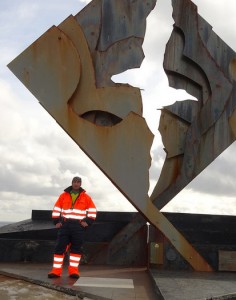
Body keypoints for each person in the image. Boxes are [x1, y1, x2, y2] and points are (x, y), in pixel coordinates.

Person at [48, 176, 97, 279]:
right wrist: (56, 221)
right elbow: (56, 209)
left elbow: (93, 211)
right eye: (74, 182)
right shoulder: (63, 195)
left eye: (78, 182)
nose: (76, 184)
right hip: (65, 225)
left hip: (78, 227)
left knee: (76, 249)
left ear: (80, 184)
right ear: (72, 183)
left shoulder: (86, 197)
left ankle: (73, 272)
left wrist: (87, 221)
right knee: (59, 248)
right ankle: (56, 271)